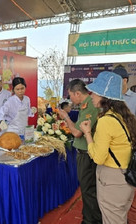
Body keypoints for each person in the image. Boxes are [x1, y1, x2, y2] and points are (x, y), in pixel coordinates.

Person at [79, 71, 136, 224]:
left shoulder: (106, 121)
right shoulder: (122, 116)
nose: (91, 96)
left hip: (112, 178)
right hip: (125, 176)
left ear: (104, 96)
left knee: (112, 219)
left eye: (94, 93)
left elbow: (98, 157)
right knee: (118, 217)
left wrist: (88, 134)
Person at [57, 79, 101, 224]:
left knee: (88, 189)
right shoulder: (85, 106)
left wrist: (66, 117)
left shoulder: (90, 107)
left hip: (87, 154)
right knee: (87, 188)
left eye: (70, 96)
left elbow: (77, 133)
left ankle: (91, 220)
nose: (69, 99)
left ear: (77, 93)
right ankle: (88, 216)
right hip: (85, 152)